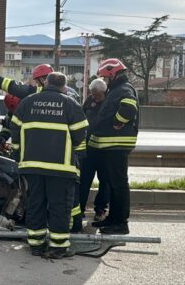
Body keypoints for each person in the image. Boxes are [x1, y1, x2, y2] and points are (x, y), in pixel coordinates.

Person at [10, 72, 88, 259]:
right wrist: (70, 148)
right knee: (59, 206)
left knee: (35, 203)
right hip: (60, 167)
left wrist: (19, 152)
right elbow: (81, 133)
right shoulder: (70, 103)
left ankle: (36, 245)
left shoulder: (28, 102)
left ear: (45, 83)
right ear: (64, 86)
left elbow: (14, 127)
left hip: (32, 166)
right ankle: (58, 247)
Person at [88, 59, 139, 235]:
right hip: (112, 146)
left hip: (117, 145)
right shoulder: (117, 89)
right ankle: (113, 219)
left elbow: (128, 108)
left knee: (119, 185)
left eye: (104, 77)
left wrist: (118, 122)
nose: (103, 80)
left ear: (113, 74)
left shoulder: (123, 89)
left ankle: (121, 222)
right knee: (113, 184)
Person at [78, 78, 111, 222]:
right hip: (89, 149)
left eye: (96, 93)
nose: (93, 96)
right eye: (92, 93)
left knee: (105, 182)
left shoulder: (109, 102)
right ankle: (79, 210)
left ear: (103, 92)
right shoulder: (88, 101)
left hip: (104, 151)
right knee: (84, 181)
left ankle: (100, 209)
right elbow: (81, 117)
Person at [0, 64, 81, 103]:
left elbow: (16, 87)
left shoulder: (39, 91)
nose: (37, 84)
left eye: (37, 81)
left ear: (42, 79)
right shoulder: (71, 93)